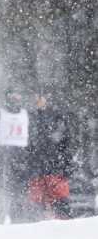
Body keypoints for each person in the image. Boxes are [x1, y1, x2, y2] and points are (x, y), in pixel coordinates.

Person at [26, 85, 73, 221]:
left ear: (45, 97)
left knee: (61, 204)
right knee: (36, 209)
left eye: (39, 96)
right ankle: (36, 234)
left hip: (55, 169)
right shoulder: (27, 117)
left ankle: (65, 232)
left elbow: (66, 142)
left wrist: (66, 164)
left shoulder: (56, 115)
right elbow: (25, 146)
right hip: (35, 171)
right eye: (34, 97)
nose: (37, 100)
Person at [0, 86, 31, 224]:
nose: (15, 98)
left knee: (18, 203)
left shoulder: (27, 115)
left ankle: (18, 232)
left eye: (18, 94)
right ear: (7, 96)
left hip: (22, 165)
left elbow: (33, 140)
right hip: (3, 164)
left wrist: (29, 162)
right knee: (1, 203)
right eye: (12, 95)